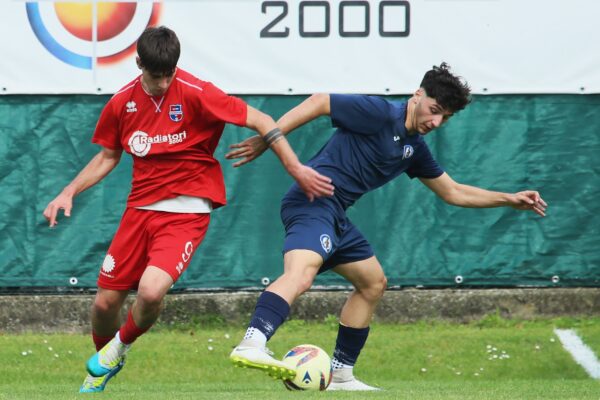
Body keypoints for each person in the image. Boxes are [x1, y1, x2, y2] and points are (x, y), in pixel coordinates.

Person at [42, 26, 334, 393]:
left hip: (186, 212)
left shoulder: (197, 92)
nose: (163, 83)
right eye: (155, 75)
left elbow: (262, 120)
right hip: (139, 211)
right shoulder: (121, 103)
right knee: (104, 305)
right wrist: (69, 191)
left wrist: (294, 167)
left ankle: (117, 349)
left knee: (150, 292)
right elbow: (107, 156)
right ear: (138, 64)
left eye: (169, 74)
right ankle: (104, 364)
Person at [225, 63, 548, 390]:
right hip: (312, 202)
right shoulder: (379, 113)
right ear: (417, 96)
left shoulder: (414, 148)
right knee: (301, 274)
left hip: (337, 215)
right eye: (434, 110)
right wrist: (270, 138)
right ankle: (252, 342)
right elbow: (321, 101)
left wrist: (508, 198)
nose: (436, 122)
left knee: (373, 283)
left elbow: (453, 191)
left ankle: (339, 375)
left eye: (445, 118)